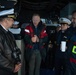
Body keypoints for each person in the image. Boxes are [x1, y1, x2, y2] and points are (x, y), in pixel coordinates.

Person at [0, 8, 21, 75]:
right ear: (6, 21)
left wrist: (18, 62)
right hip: (4, 70)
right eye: (12, 20)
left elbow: (15, 48)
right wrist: (12, 67)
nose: (13, 22)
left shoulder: (9, 33)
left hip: (12, 68)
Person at [64, 10, 76, 75]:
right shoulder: (71, 29)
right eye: (72, 18)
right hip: (68, 61)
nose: (72, 20)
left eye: (74, 18)